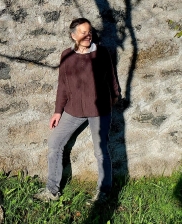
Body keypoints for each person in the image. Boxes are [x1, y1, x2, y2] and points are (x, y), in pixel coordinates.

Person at [33, 18, 120, 204]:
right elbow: (62, 86)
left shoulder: (101, 53)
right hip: (73, 110)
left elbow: (111, 76)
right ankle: (52, 190)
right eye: (83, 32)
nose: (88, 35)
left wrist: (115, 94)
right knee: (55, 143)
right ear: (73, 36)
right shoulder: (67, 56)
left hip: (99, 110)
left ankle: (104, 192)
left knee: (100, 151)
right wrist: (58, 111)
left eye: (89, 32)